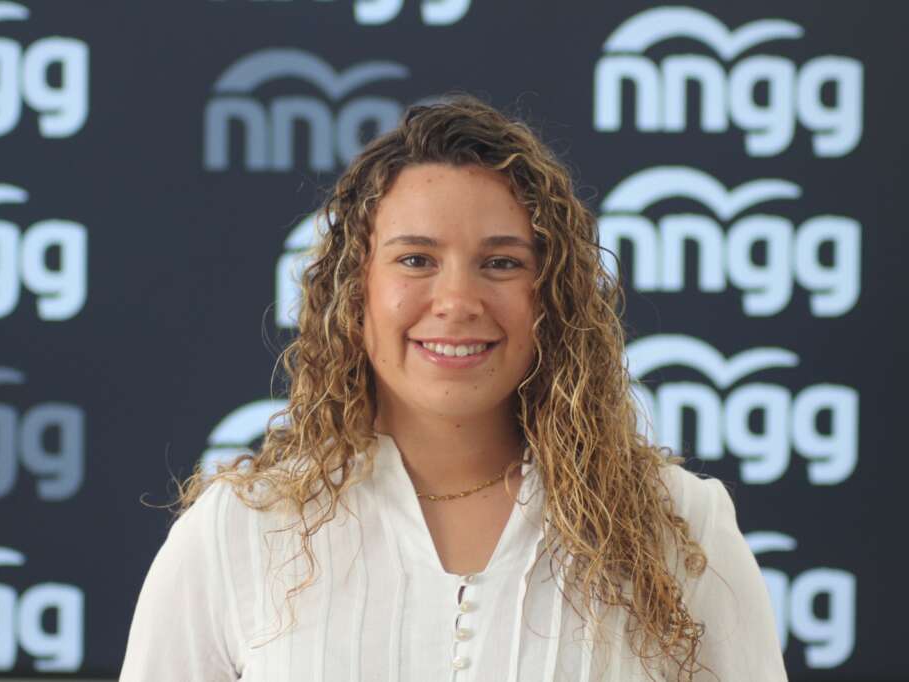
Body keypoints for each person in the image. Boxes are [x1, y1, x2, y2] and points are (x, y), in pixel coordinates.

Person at [119, 94, 788, 681]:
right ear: (355, 291)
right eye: (416, 259)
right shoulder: (237, 534)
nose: (458, 300)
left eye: (501, 262)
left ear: (552, 296)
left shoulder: (680, 526)